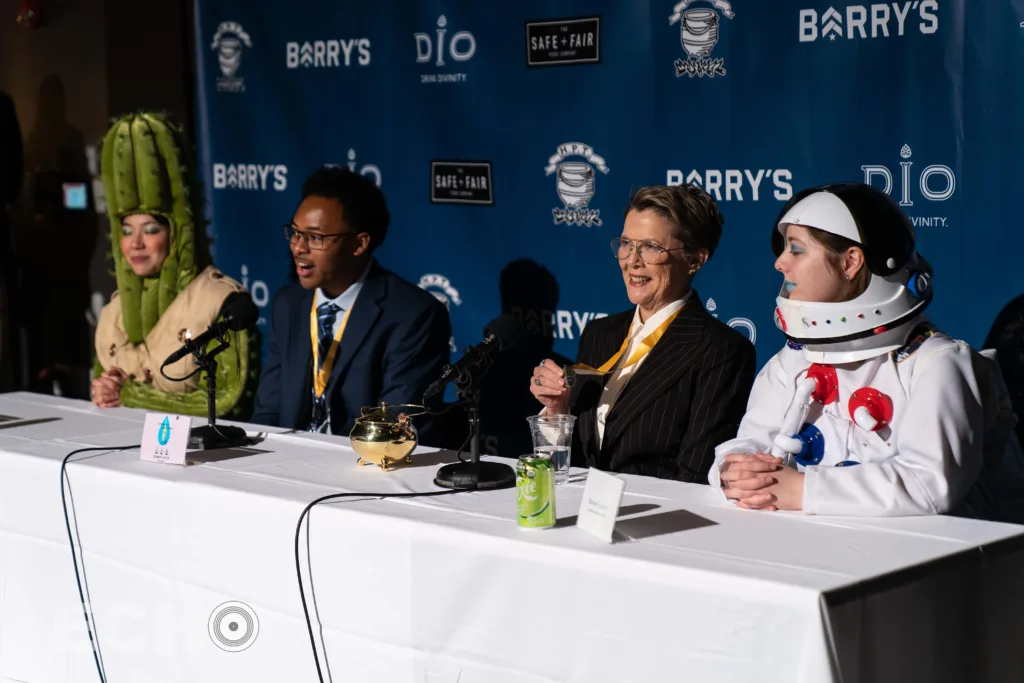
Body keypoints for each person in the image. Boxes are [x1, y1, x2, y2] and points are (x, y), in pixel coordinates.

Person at [709, 182, 1024, 522]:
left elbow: (930, 484)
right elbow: (751, 441)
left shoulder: (935, 363)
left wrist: (801, 490)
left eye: (796, 250)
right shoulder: (795, 359)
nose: (780, 263)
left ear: (851, 262)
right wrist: (733, 471)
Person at [529, 184, 757, 482]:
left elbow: (696, 478)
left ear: (694, 260)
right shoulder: (599, 334)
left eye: (651, 247)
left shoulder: (721, 350)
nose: (632, 261)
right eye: (626, 243)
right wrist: (558, 411)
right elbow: (576, 461)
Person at [250, 166, 451, 440]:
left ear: (359, 244)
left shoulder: (414, 314)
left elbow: (396, 428)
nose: (298, 247)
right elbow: (268, 415)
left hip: (366, 461)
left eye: (315, 237)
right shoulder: (288, 303)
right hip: (287, 458)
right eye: (295, 233)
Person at [91, 112, 260, 416]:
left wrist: (131, 395)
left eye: (150, 230)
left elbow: (229, 402)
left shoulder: (221, 303)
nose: (136, 243)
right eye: (126, 231)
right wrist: (105, 389)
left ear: (177, 233)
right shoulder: (112, 313)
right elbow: (103, 387)